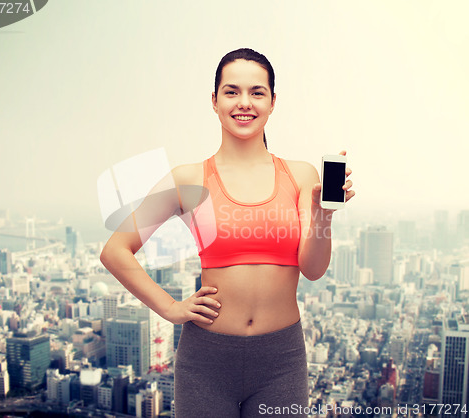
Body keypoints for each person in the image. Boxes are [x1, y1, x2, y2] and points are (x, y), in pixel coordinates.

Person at [100, 48, 355, 418]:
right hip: (205, 362)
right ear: (215, 101)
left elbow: (313, 269)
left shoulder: (301, 176)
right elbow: (115, 250)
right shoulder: (188, 179)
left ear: (272, 102)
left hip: (281, 361)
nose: (244, 103)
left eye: (257, 92)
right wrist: (170, 308)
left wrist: (322, 214)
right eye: (231, 91)